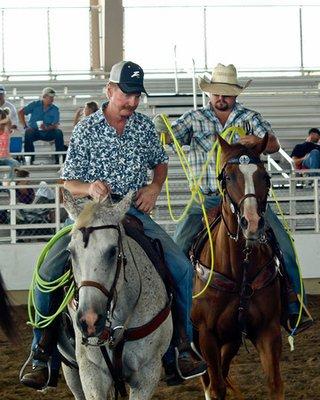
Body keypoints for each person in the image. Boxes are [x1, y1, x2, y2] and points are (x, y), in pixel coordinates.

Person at [20, 61, 207, 391]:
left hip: (132, 212)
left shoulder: (144, 127)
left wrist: (153, 188)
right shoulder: (87, 128)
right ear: (109, 90)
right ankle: (41, 351)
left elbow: (160, 163)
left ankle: (180, 347)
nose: (132, 103)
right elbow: (67, 181)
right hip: (90, 216)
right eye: (127, 95)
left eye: (137, 96)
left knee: (180, 268)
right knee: (47, 273)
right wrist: (88, 187)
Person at [153, 63, 313, 333]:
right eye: (217, 93)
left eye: (226, 93)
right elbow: (168, 137)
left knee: (284, 246)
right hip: (206, 201)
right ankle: (172, 316)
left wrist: (257, 140)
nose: (221, 98)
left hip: (247, 200)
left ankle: (294, 307)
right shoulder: (193, 119)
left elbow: (273, 145)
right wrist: (160, 127)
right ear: (209, 94)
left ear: (235, 95)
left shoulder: (250, 118)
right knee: (177, 253)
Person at [18, 87, 65, 164]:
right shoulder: (34, 104)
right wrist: (25, 126)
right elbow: (20, 112)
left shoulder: (55, 109)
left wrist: (47, 127)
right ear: (44, 97)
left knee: (58, 133)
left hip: (48, 132)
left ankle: (59, 160)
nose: (52, 99)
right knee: (28, 132)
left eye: (53, 97)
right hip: (35, 131)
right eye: (50, 97)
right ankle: (29, 160)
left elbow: (55, 125)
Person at [0, 108, 20, 184]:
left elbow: (8, 120)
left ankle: (7, 183)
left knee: (16, 164)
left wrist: (3, 118)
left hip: (6, 158)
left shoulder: (6, 129)